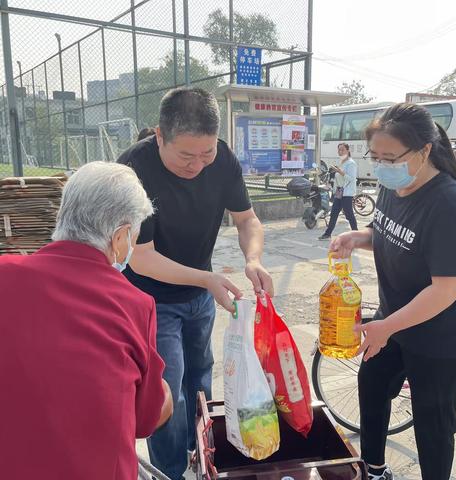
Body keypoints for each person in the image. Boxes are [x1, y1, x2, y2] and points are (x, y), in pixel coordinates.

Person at [117, 86, 273, 480]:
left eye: (206, 154)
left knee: (201, 375)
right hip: (151, 297)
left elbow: (247, 219)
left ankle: (198, 455)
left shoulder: (221, 160)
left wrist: (252, 258)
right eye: (186, 155)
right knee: (168, 389)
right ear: (159, 135)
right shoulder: (135, 169)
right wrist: (207, 278)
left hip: (200, 295)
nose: (197, 165)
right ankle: (169, 471)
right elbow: (142, 256)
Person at [329, 103, 456, 480]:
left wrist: (388, 326)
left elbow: (448, 289)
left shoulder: (449, 204)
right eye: (375, 157)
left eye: (390, 158)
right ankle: (375, 470)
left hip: (439, 336)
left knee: (433, 425)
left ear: (425, 150)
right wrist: (357, 237)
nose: (381, 166)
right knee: (372, 386)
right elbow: (389, 233)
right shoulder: (392, 185)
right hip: (394, 320)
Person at [0, 162, 173, 479]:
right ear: (120, 238)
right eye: (133, 238)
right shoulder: (132, 304)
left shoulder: (4, 274)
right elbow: (146, 419)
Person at [319, 143, 358, 240]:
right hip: (339, 192)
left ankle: (356, 235)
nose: (340, 152)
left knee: (349, 215)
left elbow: (351, 179)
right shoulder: (342, 162)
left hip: (347, 193)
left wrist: (340, 171)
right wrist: (332, 187)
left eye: (342, 150)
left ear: (348, 151)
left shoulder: (351, 163)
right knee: (334, 213)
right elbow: (338, 179)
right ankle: (327, 234)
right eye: (339, 150)